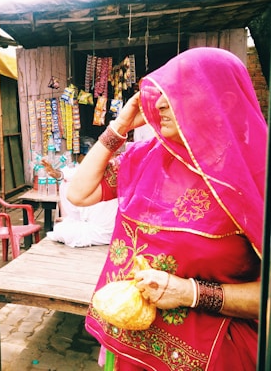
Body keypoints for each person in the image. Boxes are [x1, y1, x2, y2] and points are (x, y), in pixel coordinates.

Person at [68, 47, 266, 370]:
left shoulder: (254, 179)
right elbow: (78, 192)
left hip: (213, 357)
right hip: (129, 349)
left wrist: (190, 293)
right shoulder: (145, 158)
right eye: (161, 92)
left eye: (180, 92)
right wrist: (119, 127)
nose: (160, 102)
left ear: (225, 102)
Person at [42, 157, 117, 248]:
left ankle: (73, 222)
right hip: (90, 224)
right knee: (67, 183)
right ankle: (73, 221)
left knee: (60, 230)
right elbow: (73, 174)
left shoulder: (115, 179)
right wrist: (58, 174)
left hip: (103, 232)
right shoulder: (93, 175)